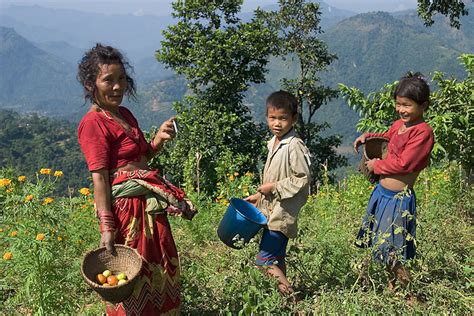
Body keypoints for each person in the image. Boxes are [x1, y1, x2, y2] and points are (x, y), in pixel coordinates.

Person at [77, 43, 196, 315]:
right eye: (108, 80)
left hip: (149, 209)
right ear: (90, 84)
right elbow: (101, 179)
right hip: (128, 213)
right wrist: (107, 226)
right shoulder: (93, 124)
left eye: (121, 79)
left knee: (160, 268)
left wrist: (158, 141)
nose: (117, 87)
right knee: (134, 275)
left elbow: (141, 160)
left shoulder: (124, 115)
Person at [353, 72, 434, 291]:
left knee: (393, 249)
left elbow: (405, 164)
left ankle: (410, 296)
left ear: (423, 105)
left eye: (407, 105)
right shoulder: (400, 124)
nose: (401, 110)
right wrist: (368, 137)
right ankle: (393, 288)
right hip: (382, 195)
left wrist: (376, 166)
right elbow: (388, 137)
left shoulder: (423, 133)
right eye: (398, 104)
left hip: (398, 200)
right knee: (380, 244)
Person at [245, 90, 311, 295]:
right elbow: (275, 176)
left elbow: (302, 178)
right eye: (272, 118)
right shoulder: (273, 143)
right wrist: (260, 196)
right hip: (271, 210)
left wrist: (273, 188)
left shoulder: (294, 145)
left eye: (283, 118)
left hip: (282, 214)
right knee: (277, 259)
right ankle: (285, 301)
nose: (277, 123)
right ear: (266, 117)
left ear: (294, 119)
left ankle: (293, 300)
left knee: (264, 261)